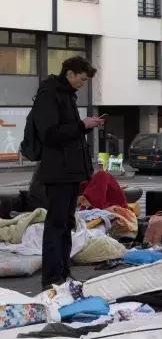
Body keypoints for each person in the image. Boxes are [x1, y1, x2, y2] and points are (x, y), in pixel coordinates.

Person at [30, 56, 105, 289]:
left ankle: (63, 275)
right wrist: (83, 125)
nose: (83, 84)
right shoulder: (49, 95)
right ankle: (52, 279)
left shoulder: (66, 95)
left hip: (70, 171)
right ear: (70, 74)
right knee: (56, 224)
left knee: (66, 223)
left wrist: (85, 125)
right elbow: (50, 134)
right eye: (81, 79)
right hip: (58, 171)